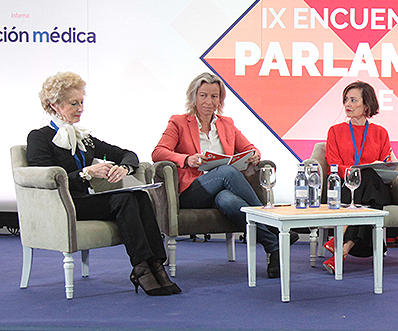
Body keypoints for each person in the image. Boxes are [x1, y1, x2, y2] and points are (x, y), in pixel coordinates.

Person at [27, 72, 179, 296]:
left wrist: (125, 168)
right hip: (62, 205)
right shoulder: (39, 138)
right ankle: (141, 268)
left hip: (85, 200)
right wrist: (86, 173)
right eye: (73, 103)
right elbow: (45, 179)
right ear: (54, 105)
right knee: (125, 199)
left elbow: (127, 154)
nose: (80, 108)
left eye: (81, 102)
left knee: (138, 196)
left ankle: (155, 263)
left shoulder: (84, 139)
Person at [152, 72, 283, 278]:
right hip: (192, 191)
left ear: (220, 100)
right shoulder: (178, 122)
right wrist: (187, 159)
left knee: (228, 199)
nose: (208, 101)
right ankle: (273, 223)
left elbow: (250, 148)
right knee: (227, 171)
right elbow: (158, 153)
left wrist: (254, 156)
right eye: (203, 95)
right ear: (194, 97)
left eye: (214, 96)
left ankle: (273, 246)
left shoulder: (226, 124)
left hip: (219, 192)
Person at [322, 81, 396, 274]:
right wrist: (357, 172)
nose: (348, 104)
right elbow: (334, 165)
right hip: (346, 187)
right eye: (346, 99)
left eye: (353, 100)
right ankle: (344, 250)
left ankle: (339, 242)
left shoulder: (381, 133)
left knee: (370, 175)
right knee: (369, 198)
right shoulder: (335, 131)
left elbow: (385, 162)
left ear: (367, 106)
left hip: (375, 189)